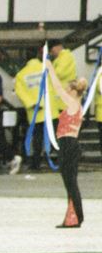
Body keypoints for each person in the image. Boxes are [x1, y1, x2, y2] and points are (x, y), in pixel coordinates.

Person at [44, 59, 88, 228]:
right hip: (68, 144)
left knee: (70, 182)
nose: (66, 91)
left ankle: (77, 216)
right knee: (70, 182)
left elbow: (57, 88)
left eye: (69, 89)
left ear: (73, 91)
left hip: (69, 144)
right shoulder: (76, 105)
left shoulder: (72, 103)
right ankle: (73, 216)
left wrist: (50, 69)